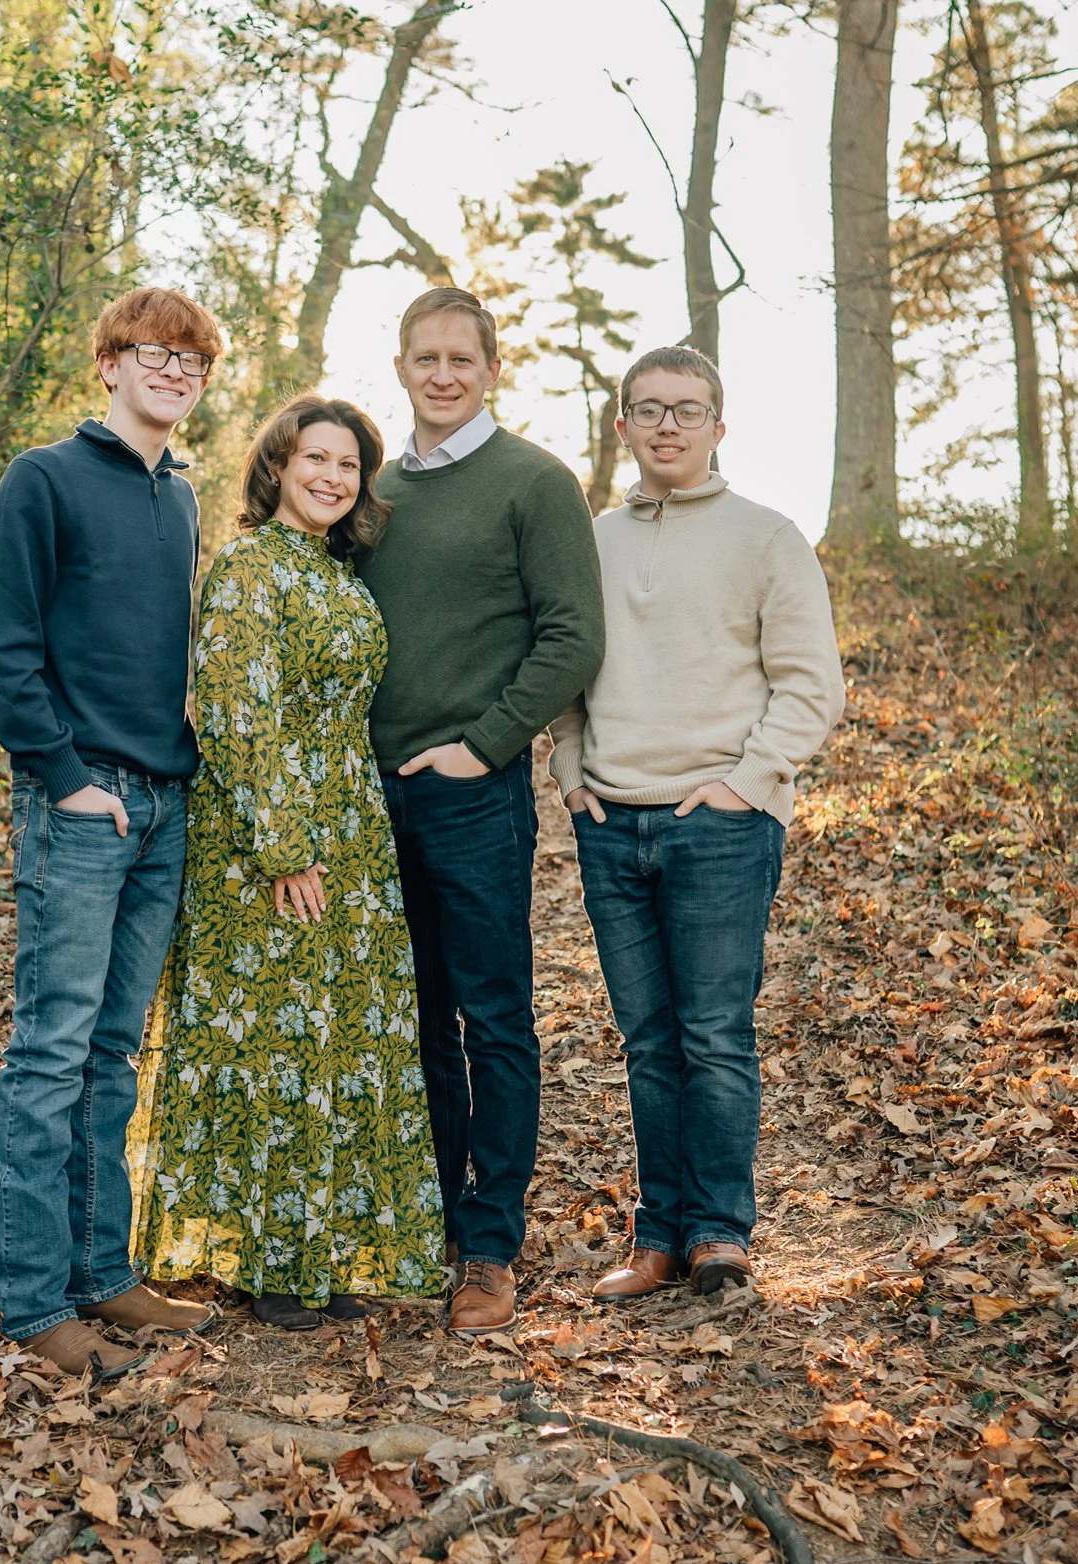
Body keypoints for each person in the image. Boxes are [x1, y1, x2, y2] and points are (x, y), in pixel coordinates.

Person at [131, 396, 445, 1332]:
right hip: (268, 839)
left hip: (348, 826)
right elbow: (235, 709)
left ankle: (319, 1250)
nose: (333, 478)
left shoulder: (334, 573)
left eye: (348, 466)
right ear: (276, 466)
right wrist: (283, 846)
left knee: (332, 1038)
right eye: (316, 459)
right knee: (270, 1038)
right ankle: (269, 1260)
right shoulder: (250, 569)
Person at [0, 287, 228, 1380]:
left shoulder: (182, 498)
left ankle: (102, 1274)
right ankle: (31, 1298)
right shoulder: (45, 476)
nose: (174, 371)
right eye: (155, 352)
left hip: (164, 802)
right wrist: (64, 777)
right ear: (111, 362)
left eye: (194, 361)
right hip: (82, 803)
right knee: (51, 1047)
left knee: (115, 1052)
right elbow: (1, 644)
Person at [550, 345, 846, 1303]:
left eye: (687, 410)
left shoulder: (767, 536)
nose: (667, 425)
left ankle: (721, 1233)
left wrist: (747, 780)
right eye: (649, 410)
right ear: (623, 426)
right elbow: (563, 664)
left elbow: (812, 686)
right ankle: (659, 1237)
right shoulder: (591, 540)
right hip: (612, 820)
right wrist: (568, 768)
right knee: (645, 1039)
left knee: (713, 1032)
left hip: (718, 824)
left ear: (720, 427)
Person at [360, 287, 604, 1337]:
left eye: (464, 356)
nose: (444, 372)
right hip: (369, 800)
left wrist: (484, 744)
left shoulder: (534, 483)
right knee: (413, 1020)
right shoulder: (366, 491)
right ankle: (430, 1216)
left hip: (472, 795)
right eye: (427, 356)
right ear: (403, 366)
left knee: (492, 1017)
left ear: (492, 368)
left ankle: (489, 1243)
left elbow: (572, 636)